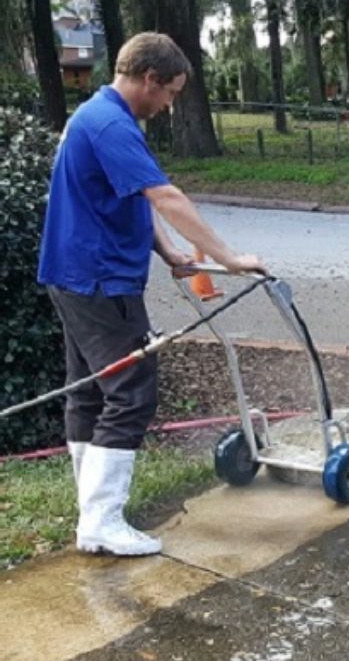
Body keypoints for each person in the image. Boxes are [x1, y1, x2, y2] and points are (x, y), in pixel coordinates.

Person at [37, 32, 266, 557]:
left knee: (89, 391)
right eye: (170, 93)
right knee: (130, 392)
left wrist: (168, 252)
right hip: (100, 279)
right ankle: (101, 521)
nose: (168, 106)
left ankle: (91, 509)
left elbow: (131, 199)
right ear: (149, 79)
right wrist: (228, 257)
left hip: (72, 275)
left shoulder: (94, 115)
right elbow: (164, 196)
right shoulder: (112, 124)